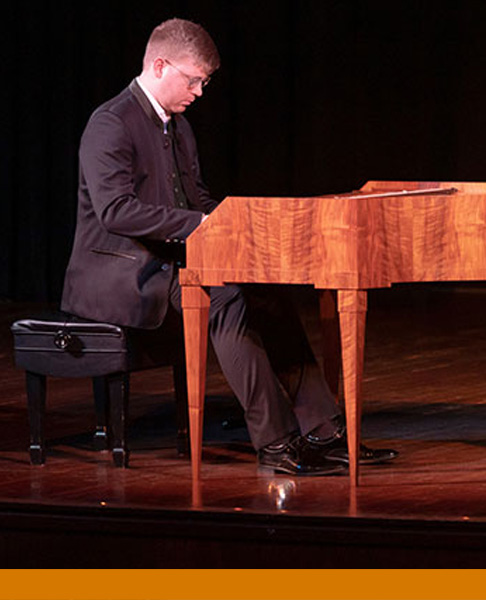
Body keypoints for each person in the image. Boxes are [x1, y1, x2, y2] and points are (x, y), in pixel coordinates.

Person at [61, 17, 397, 475]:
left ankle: (324, 431)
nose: (199, 91)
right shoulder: (111, 123)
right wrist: (202, 223)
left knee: (266, 287)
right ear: (160, 65)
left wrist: (241, 224)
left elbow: (197, 197)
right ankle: (277, 443)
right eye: (194, 79)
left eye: (205, 82)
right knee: (225, 296)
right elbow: (116, 211)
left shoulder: (177, 127)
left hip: (172, 264)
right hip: (123, 276)